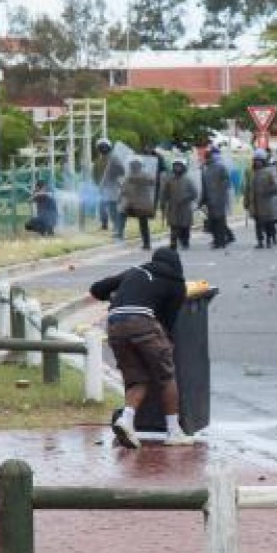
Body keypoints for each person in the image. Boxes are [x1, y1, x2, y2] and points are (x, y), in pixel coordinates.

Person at [89, 248, 193, 448]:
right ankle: (174, 432)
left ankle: (126, 421)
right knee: (165, 376)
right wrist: (166, 345)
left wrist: (117, 297)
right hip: (142, 321)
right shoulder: (177, 283)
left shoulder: (135, 271)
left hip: (114, 324)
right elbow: (168, 322)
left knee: (137, 379)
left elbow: (97, 289)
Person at [244, 149, 277, 249]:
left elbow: (275, 188)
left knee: (268, 222)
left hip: (267, 203)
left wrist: (267, 192)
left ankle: (269, 238)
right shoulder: (252, 173)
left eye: (259, 160)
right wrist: (246, 201)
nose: (257, 162)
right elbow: (248, 188)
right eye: (255, 160)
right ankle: (260, 241)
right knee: (258, 223)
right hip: (255, 202)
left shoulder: (269, 172)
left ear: (263, 161)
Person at [118, 158, 156, 250]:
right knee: (121, 215)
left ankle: (146, 244)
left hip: (142, 205)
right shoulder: (128, 177)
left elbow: (152, 182)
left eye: (135, 165)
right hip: (131, 203)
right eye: (132, 165)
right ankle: (119, 235)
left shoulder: (145, 176)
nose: (133, 166)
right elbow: (124, 190)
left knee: (143, 224)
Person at [161, 157, 197, 251]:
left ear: (183, 168)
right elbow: (165, 193)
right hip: (173, 207)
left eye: (179, 166)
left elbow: (194, 194)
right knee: (174, 226)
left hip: (185, 208)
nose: (177, 168)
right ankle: (173, 243)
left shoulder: (188, 180)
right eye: (175, 166)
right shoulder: (169, 180)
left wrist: (186, 198)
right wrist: (163, 203)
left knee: (185, 227)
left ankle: (185, 242)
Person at [200, 148, 232, 249]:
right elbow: (204, 186)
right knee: (214, 222)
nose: (206, 160)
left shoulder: (219, 168)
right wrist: (203, 199)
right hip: (211, 199)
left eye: (207, 158)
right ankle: (218, 241)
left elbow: (226, 181)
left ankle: (221, 241)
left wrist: (221, 192)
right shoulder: (205, 170)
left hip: (219, 199)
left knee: (219, 221)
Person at [93, 137, 122, 234]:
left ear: (108, 147)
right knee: (102, 207)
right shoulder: (98, 161)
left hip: (113, 187)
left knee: (113, 208)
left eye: (104, 147)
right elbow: (95, 174)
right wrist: (98, 184)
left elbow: (121, 171)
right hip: (102, 188)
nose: (103, 149)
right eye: (101, 147)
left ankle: (116, 226)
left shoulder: (114, 158)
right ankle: (104, 224)